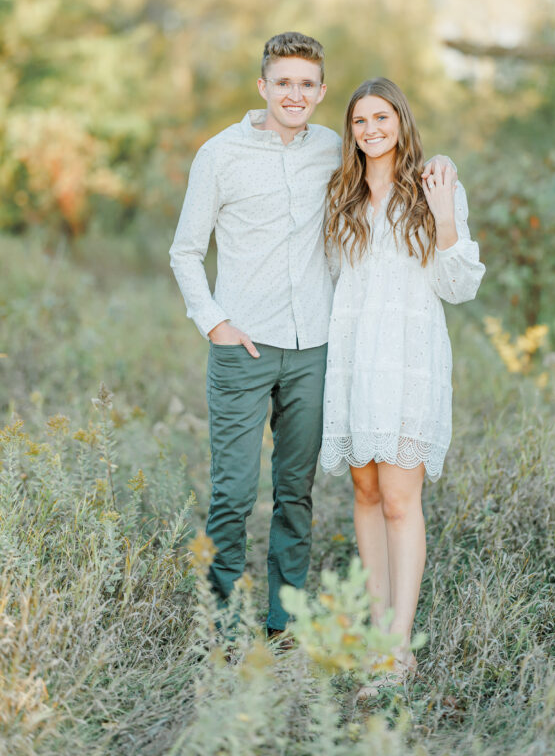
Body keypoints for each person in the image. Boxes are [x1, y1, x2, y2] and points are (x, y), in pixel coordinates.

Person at [169, 33, 453, 640]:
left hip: (316, 352)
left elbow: (389, 169)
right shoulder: (218, 155)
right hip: (242, 346)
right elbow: (186, 252)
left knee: (296, 494)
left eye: (306, 84)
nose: (294, 94)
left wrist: (441, 169)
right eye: (283, 82)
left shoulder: (333, 148)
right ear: (263, 86)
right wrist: (215, 323)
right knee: (235, 494)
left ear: (320, 92)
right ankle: (219, 627)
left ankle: (284, 622)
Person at [320, 77, 485, 683]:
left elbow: (459, 287)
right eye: (360, 120)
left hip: (409, 359)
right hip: (355, 358)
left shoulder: (435, 186)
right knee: (364, 494)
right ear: (351, 130)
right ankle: (376, 628)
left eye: (381, 117)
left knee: (399, 499)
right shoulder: (340, 193)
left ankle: (399, 647)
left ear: (401, 121)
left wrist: (444, 215)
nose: (370, 129)